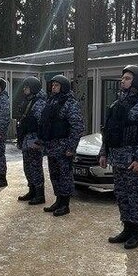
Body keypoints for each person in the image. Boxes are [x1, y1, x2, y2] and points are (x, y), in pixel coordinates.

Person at [100, 65, 138, 250]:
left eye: (127, 78)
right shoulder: (117, 103)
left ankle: (136, 233)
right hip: (117, 160)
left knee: (136, 198)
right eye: (123, 78)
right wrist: (104, 152)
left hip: (134, 161)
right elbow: (108, 131)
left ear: (137, 81)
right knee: (122, 196)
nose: (122, 80)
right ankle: (126, 228)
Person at [38, 75, 84, 216]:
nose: (53, 87)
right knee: (54, 175)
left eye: (57, 85)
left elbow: (77, 127)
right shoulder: (51, 101)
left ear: (63, 86)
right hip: (52, 146)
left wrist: (71, 147)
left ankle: (65, 204)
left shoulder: (70, 103)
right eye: (53, 85)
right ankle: (58, 200)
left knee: (65, 175)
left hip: (64, 147)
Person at [16, 77, 48, 205]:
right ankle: (32, 190)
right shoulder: (29, 101)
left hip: (34, 139)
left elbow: (42, 123)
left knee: (35, 167)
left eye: (27, 87)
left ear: (33, 88)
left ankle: (40, 194)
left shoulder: (39, 102)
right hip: (26, 138)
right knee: (27, 167)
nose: (24, 89)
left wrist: (40, 140)